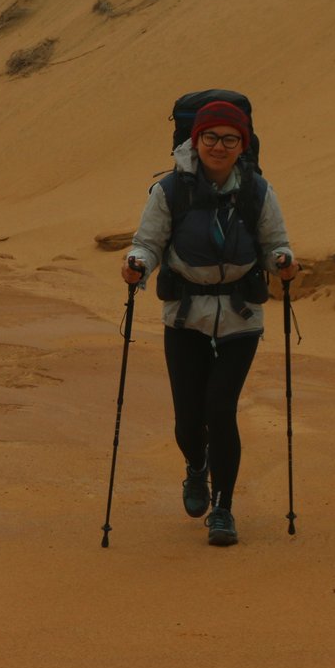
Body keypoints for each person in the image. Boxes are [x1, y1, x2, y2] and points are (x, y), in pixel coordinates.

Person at [120, 100, 297, 546]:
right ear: (195, 142)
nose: (219, 146)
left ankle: (223, 507)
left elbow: (276, 243)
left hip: (241, 316)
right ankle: (196, 468)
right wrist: (137, 265)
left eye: (230, 139)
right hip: (184, 315)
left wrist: (283, 262)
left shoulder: (257, 191)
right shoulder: (170, 192)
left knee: (220, 410)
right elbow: (148, 242)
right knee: (187, 420)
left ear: (243, 145)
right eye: (211, 137)